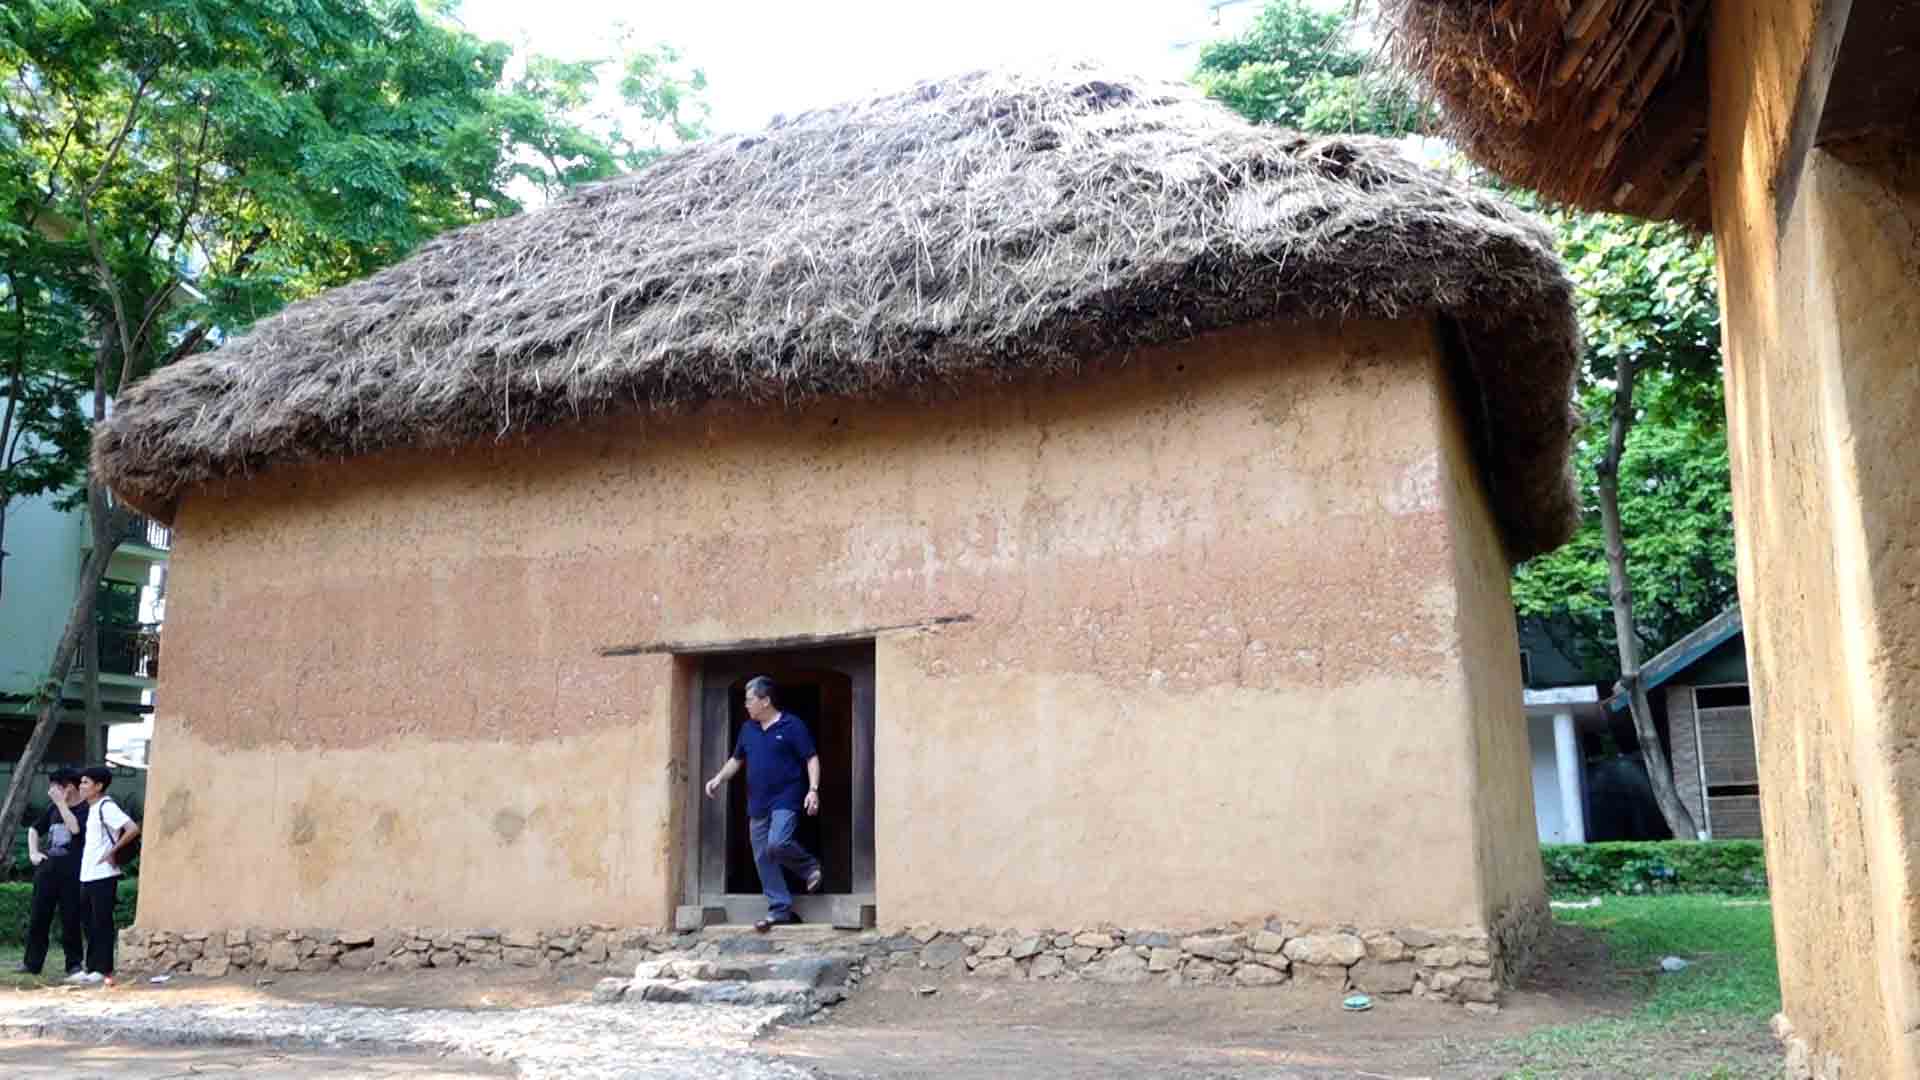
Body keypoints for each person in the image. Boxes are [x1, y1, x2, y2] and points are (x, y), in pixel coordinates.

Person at [703, 675, 823, 931]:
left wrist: (813, 790)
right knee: (762, 856)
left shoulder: (792, 726)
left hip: (786, 797)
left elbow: (811, 758)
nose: (746, 705)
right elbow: (736, 760)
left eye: (749, 700)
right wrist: (718, 778)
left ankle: (809, 867)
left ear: (765, 701)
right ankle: (779, 908)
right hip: (757, 802)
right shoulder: (748, 730)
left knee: (777, 843)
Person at [71, 765, 140, 985]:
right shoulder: (91, 808)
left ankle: (103, 968)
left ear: (99, 786)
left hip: (104, 874)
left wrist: (113, 850)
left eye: (86, 783)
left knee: (101, 922)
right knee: (89, 922)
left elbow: (132, 828)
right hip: (88, 874)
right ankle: (92, 966)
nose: (81, 786)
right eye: (81, 782)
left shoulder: (106, 806)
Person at [18, 769, 87, 978]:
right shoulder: (52, 809)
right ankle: (32, 964)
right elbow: (34, 829)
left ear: (69, 787)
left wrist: (61, 804)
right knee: (39, 918)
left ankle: (73, 964)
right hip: (47, 872)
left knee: (71, 919)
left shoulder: (85, 809)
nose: (52, 791)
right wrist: (33, 853)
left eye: (56, 787)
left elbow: (75, 829)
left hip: (72, 874)